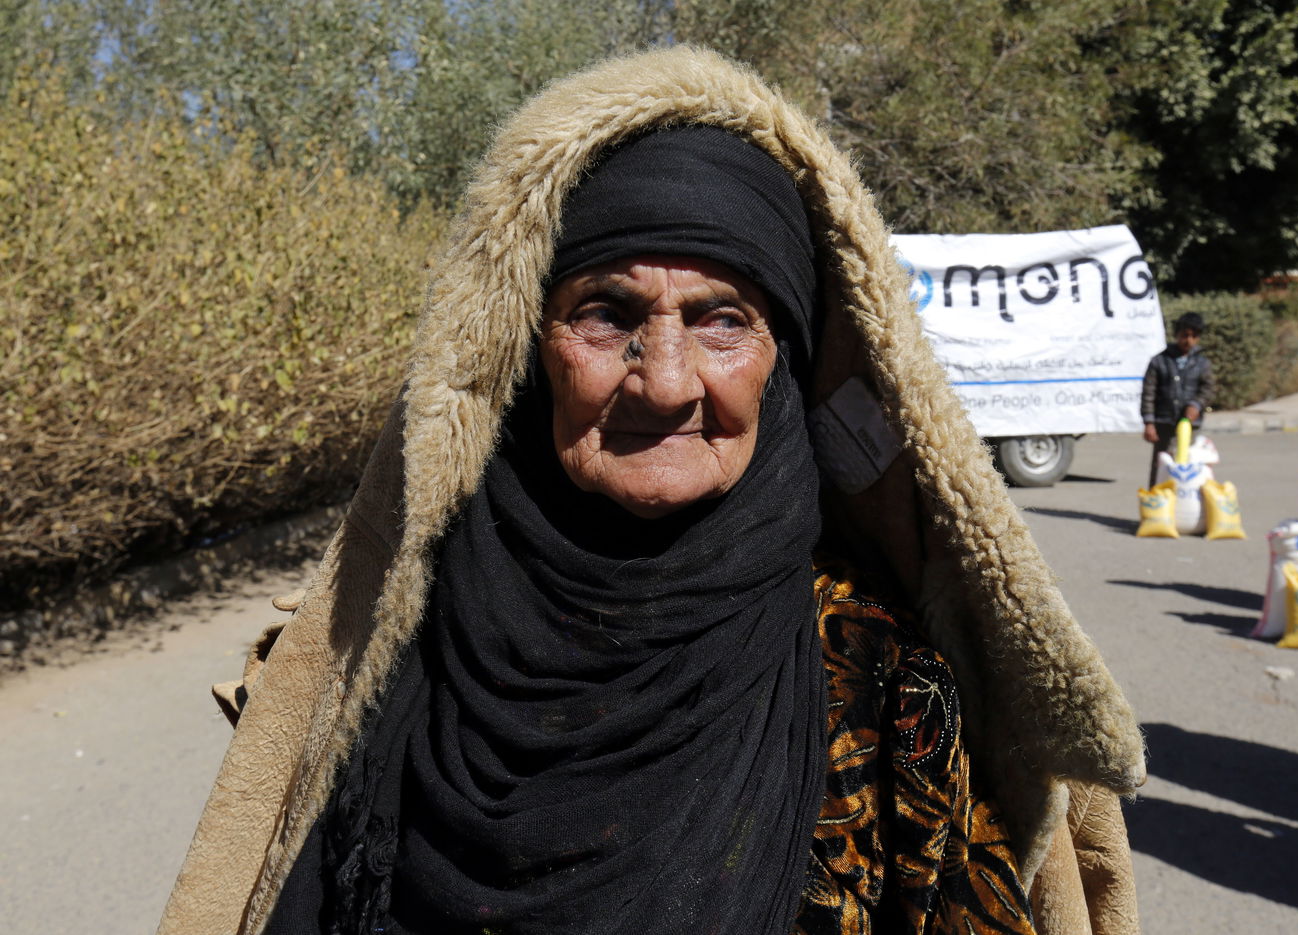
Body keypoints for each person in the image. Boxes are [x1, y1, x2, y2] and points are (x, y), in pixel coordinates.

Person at [159, 47, 1144, 935]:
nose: (665, 379)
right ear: (525, 349)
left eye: (722, 321)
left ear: (783, 362)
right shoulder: (384, 652)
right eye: (605, 314)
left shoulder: (880, 690)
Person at [1141, 311, 1216, 487]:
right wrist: (1149, 422)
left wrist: (1196, 405)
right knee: (1162, 466)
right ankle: (1158, 506)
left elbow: (1209, 388)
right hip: (1164, 423)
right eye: (1185, 335)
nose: (1188, 340)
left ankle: (1184, 507)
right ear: (1177, 334)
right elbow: (1148, 393)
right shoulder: (1159, 361)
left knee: (1188, 466)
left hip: (1190, 426)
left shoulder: (1202, 363)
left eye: (1193, 336)